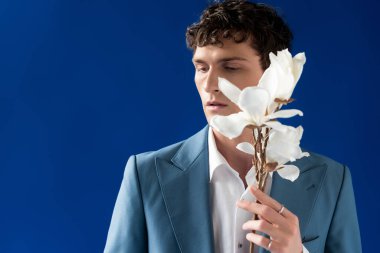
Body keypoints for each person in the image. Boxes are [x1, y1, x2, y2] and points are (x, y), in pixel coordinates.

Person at [104, 1, 362, 252]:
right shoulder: (147, 174)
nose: (209, 85)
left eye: (230, 67)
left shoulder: (331, 180)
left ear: (275, 76)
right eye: (201, 68)